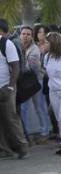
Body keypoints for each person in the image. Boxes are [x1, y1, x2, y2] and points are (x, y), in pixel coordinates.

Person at [0, 18, 29, 159]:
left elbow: (15, 67)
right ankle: (5, 149)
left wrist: (11, 87)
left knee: (10, 118)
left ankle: (22, 146)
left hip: (6, 87)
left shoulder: (6, 44)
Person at [19, 26, 51, 143]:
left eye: (28, 34)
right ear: (20, 35)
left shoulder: (34, 49)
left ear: (32, 36)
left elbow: (33, 67)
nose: (25, 36)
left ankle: (45, 132)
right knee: (24, 109)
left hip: (36, 82)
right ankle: (26, 134)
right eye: (23, 34)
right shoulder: (18, 47)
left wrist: (19, 65)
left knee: (40, 107)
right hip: (24, 83)